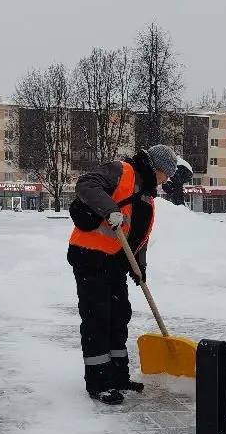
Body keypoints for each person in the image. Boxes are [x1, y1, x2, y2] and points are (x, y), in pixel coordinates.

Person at [67, 144, 178, 405]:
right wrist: (110, 209)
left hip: (115, 264)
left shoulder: (147, 196)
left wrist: (140, 268)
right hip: (90, 257)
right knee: (97, 319)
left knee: (119, 317)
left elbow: (138, 237)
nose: (166, 180)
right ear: (157, 168)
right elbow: (85, 184)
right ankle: (99, 383)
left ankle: (118, 376)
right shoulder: (121, 170)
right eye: (166, 174)